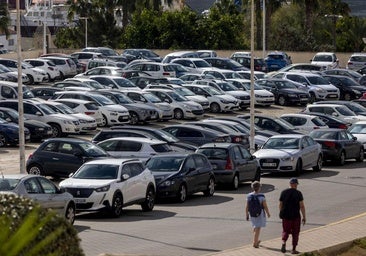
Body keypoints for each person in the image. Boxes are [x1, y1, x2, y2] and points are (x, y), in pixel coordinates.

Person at [279, 178, 306, 254]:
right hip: (295, 216)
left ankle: (283, 242)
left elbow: (280, 204)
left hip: (286, 216)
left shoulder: (283, 192)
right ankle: (293, 249)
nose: (296, 185)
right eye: (296, 184)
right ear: (295, 184)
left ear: (290, 184)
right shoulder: (298, 193)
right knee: (295, 232)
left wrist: (281, 212)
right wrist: (304, 216)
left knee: (285, 230)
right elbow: (302, 206)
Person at [245, 181, 270, 248]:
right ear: (259, 188)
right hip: (260, 213)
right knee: (258, 228)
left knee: (255, 226)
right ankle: (255, 243)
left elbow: (247, 206)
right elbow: (265, 206)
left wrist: (247, 214)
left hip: (252, 213)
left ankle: (255, 240)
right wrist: (268, 213)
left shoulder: (249, 195)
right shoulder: (261, 196)